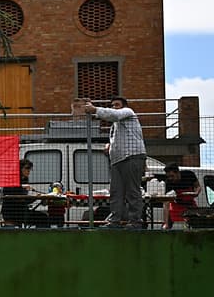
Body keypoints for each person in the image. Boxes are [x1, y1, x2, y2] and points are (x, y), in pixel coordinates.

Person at [80, 96, 147, 228]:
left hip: (132, 156)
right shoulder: (115, 125)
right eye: (113, 105)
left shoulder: (128, 112)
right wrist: (109, 145)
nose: (114, 107)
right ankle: (114, 220)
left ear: (124, 106)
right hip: (118, 160)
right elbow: (114, 123)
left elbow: (114, 115)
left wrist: (94, 109)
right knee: (116, 191)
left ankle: (135, 222)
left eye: (117, 104)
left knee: (132, 191)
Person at [0, 158, 49, 227]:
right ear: (20, 168)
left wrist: (36, 197)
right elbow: (19, 199)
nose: (29, 171)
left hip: (21, 211)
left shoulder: (24, 180)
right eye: (27, 168)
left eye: (30, 169)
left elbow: (23, 200)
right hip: (12, 213)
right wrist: (35, 197)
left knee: (43, 217)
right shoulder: (12, 180)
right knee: (42, 218)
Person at [162, 162, 200, 229]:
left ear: (178, 173)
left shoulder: (189, 174)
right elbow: (166, 202)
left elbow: (198, 186)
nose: (170, 178)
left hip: (190, 205)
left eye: (172, 176)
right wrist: (166, 223)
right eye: (168, 176)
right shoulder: (168, 182)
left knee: (196, 225)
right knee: (167, 227)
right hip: (175, 206)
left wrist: (196, 192)